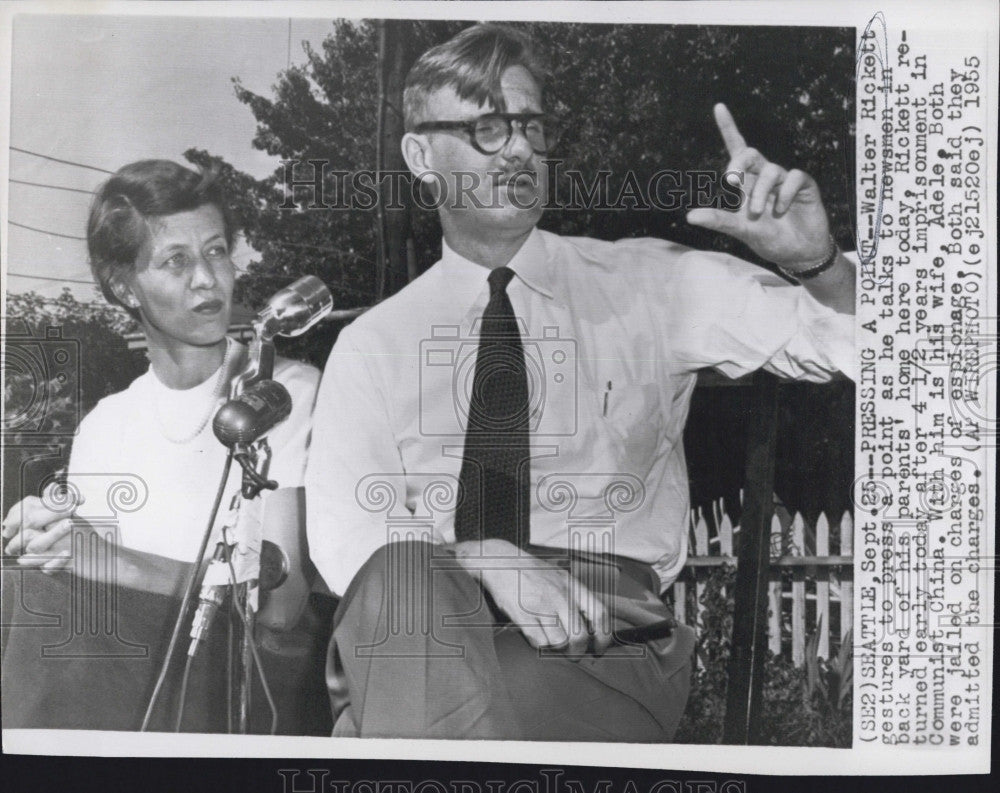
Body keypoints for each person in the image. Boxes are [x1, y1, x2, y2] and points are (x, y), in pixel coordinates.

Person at [304, 24, 855, 741]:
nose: (520, 148)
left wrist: (821, 268)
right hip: (425, 627)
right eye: (488, 125)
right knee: (400, 587)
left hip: (602, 632)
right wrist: (480, 553)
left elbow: (871, 348)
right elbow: (345, 534)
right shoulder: (371, 345)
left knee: (405, 721)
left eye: (532, 124)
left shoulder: (652, 283)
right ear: (418, 154)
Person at [1, 160, 326, 733]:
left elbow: (283, 603)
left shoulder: (282, 391)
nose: (208, 279)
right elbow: (89, 577)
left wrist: (109, 560)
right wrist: (47, 537)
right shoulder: (106, 422)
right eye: (176, 260)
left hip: (233, 669)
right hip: (117, 667)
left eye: (218, 251)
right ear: (124, 286)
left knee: (34, 603)